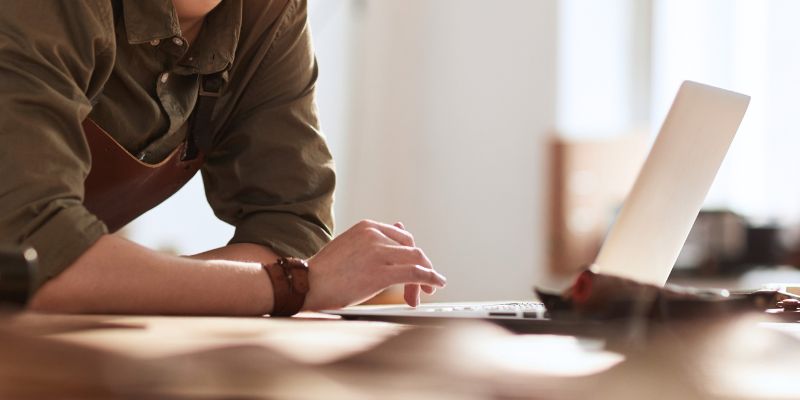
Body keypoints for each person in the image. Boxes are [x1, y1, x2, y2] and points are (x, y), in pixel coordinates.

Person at [0, 0, 446, 315]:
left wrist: (113, 282)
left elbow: (291, 234)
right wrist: (292, 284)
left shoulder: (267, 12)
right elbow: (35, 255)